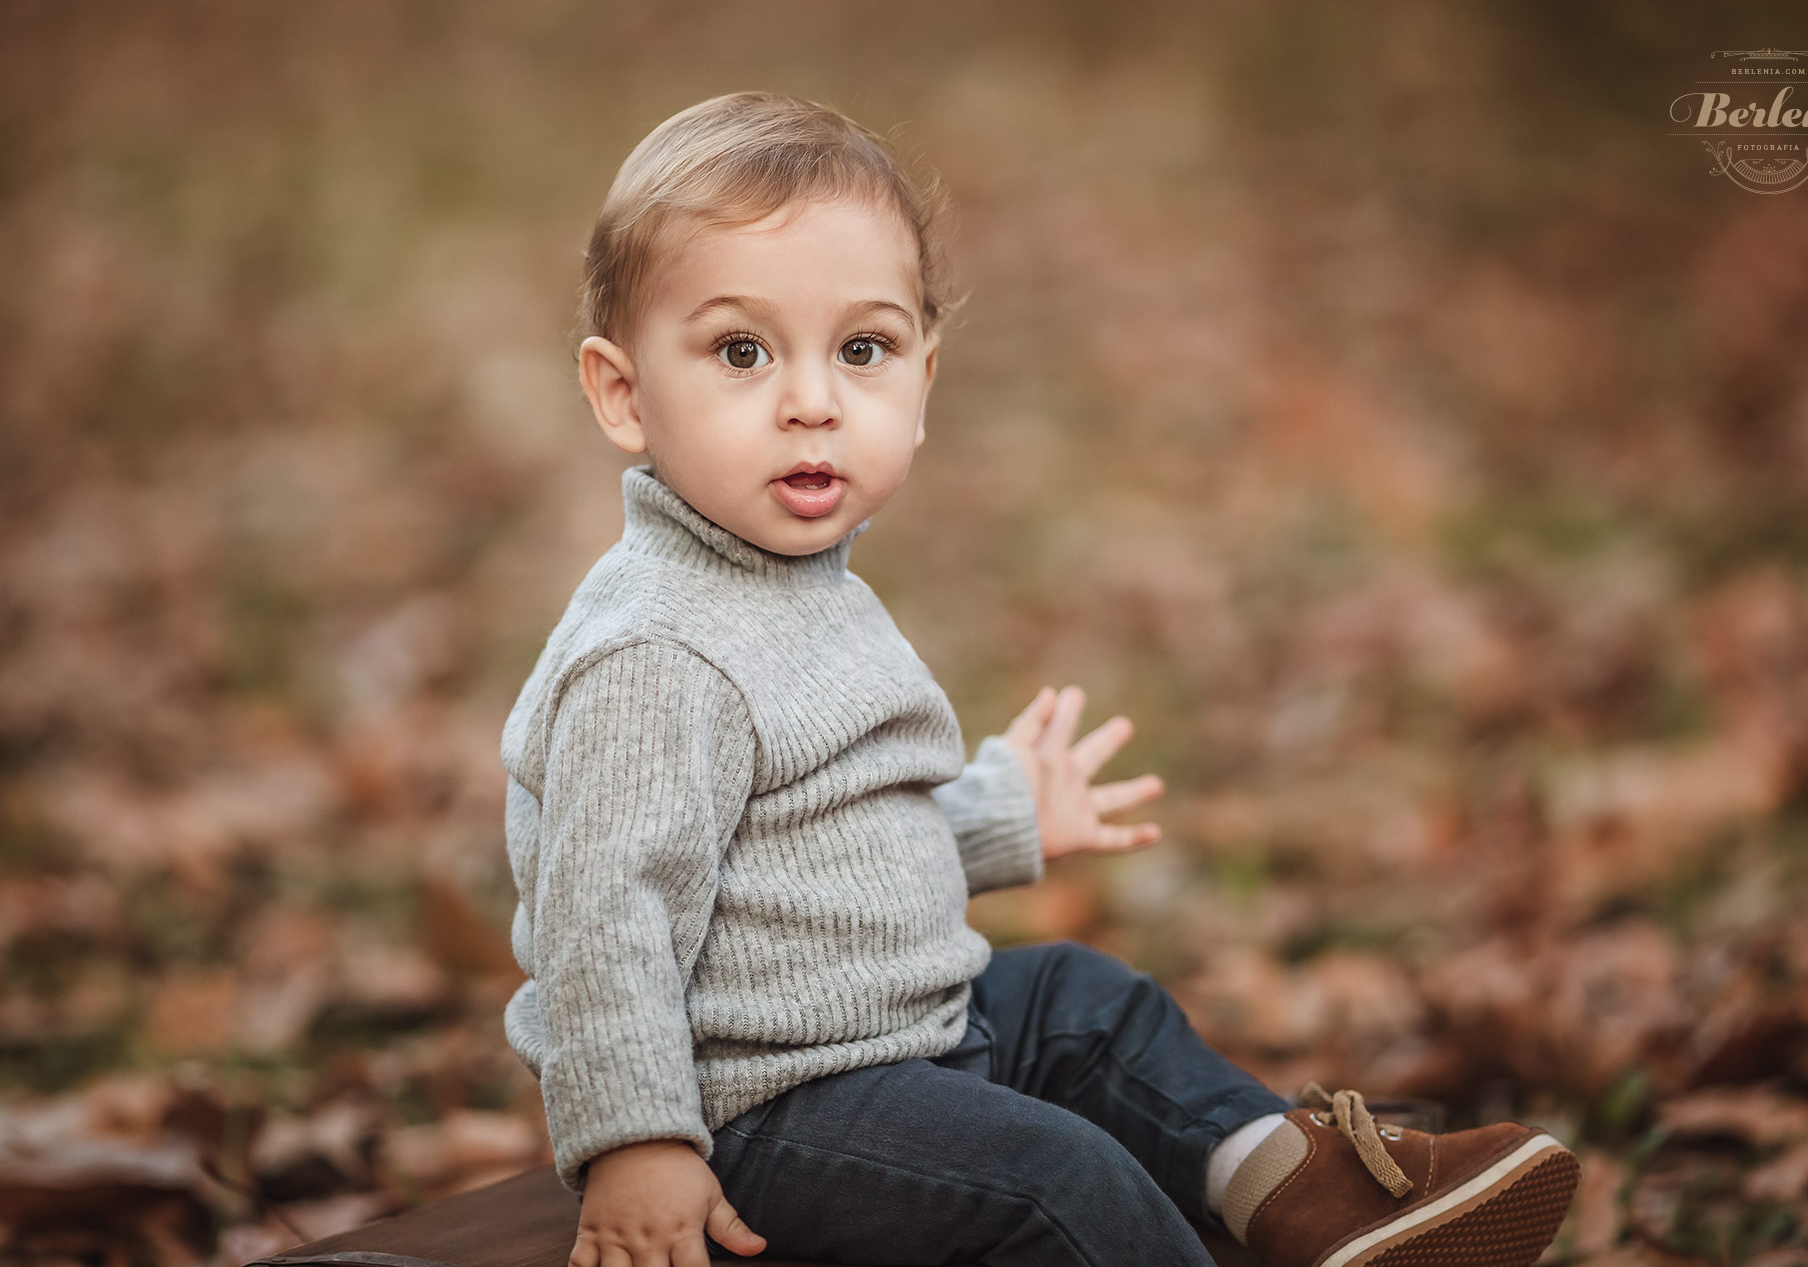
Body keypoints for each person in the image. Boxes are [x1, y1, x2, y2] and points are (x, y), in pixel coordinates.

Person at [498, 90, 1580, 1267]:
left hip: (899, 1037)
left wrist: (994, 817)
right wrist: (638, 1141)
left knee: (1088, 1001)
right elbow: (602, 919)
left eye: (863, 349)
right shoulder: (657, 655)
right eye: (741, 350)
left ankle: (1308, 1197)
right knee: (1058, 1177)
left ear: (923, 375)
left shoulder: (793, 585)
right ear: (622, 393)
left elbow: (797, 861)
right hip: (762, 1111)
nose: (811, 398)